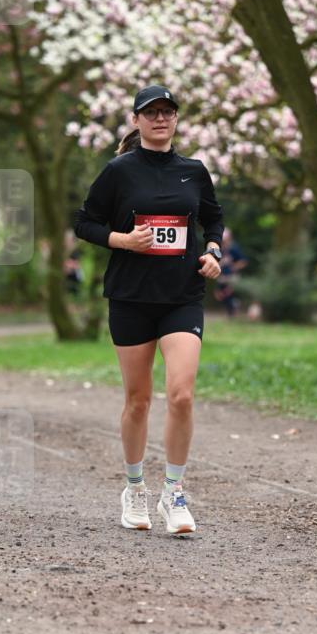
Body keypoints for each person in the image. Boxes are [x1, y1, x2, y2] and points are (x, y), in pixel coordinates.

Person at [74, 85, 224, 535]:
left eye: (168, 112)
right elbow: (84, 222)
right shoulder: (119, 171)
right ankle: (135, 487)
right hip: (131, 297)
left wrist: (213, 250)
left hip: (182, 296)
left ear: (176, 119)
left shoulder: (194, 171)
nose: (160, 119)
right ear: (136, 121)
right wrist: (123, 240)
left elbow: (212, 218)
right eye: (151, 112)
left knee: (181, 393)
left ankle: (174, 492)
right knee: (138, 400)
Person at [214, 227, 248, 317]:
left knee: (229, 294)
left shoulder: (234, 248)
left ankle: (233, 312)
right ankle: (231, 310)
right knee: (221, 295)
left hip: (232, 276)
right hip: (221, 276)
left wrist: (234, 266)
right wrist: (221, 263)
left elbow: (243, 261)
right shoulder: (219, 248)